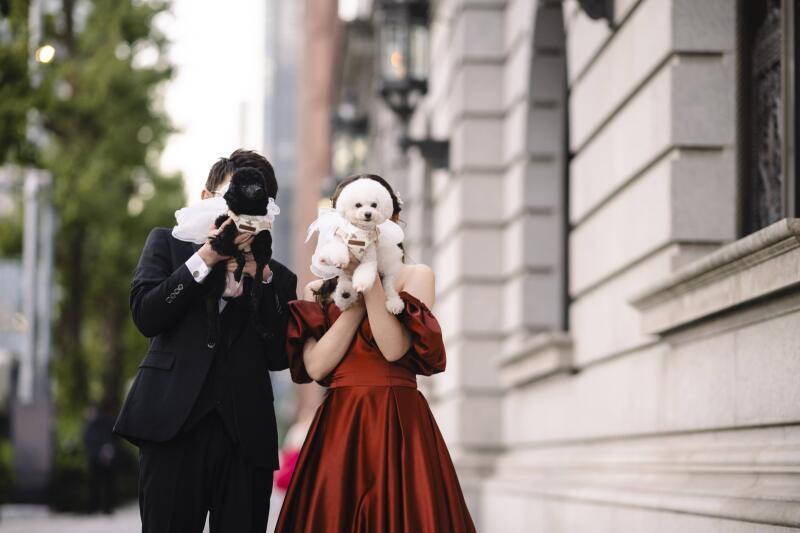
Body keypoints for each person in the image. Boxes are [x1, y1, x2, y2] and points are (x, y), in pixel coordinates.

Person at [274, 174, 476, 532]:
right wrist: (350, 288)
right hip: (341, 422)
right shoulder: (318, 290)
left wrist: (372, 284)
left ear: (391, 220)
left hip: (397, 418)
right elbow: (316, 366)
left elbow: (393, 348)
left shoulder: (416, 275)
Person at [113, 149, 298, 533]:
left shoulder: (275, 277)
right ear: (205, 198)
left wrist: (259, 277)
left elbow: (281, 355)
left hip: (245, 437)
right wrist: (208, 256)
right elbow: (147, 315)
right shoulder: (167, 245)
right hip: (171, 426)